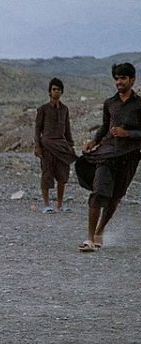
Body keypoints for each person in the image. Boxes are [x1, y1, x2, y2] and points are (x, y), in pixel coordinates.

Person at [74, 62, 141, 252]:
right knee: (98, 192)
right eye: (116, 78)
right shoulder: (109, 103)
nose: (119, 82)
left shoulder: (139, 104)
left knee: (115, 198)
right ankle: (88, 238)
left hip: (129, 157)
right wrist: (93, 142)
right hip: (107, 153)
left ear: (132, 80)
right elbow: (104, 127)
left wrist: (128, 134)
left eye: (123, 78)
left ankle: (99, 232)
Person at [34, 77, 76, 213]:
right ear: (50, 92)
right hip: (47, 145)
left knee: (63, 176)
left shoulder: (64, 109)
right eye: (54, 89)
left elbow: (67, 128)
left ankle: (60, 204)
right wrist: (37, 146)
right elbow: (37, 129)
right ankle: (46, 205)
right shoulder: (43, 109)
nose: (56, 92)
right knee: (46, 174)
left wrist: (70, 145)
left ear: (62, 92)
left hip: (62, 146)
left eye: (58, 89)